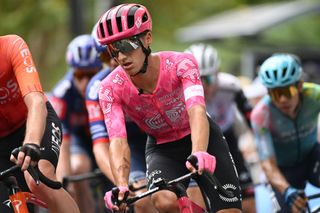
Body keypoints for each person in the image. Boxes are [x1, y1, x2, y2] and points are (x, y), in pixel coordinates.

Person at [95, 3, 242, 213]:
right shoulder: (109, 88)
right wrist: (121, 185)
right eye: (113, 49)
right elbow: (118, 140)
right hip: (161, 146)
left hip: (201, 137)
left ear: (147, 39)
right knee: (164, 201)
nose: (121, 57)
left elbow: (196, 111)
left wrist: (199, 151)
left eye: (127, 45)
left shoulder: (181, 64)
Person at [0, 34, 80, 213]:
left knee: (38, 181)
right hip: (2, 142)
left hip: (35, 123)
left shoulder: (11, 45)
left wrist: (31, 143)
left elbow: (36, 101)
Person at [85, 24, 157, 213]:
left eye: (123, 48)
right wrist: (121, 183)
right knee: (142, 198)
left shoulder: (156, 68)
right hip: (131, 145)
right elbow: (100, 144)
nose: (114, 60)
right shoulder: (96, 89)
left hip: (161, 137)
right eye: (106, 55)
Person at [185, 43, 256, 213]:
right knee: (197, 201)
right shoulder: (181, 90)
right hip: (195, 141)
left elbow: (251, 120)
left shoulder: (231, 85)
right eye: (197, 79)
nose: (204, 87)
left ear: (218, 72)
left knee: (248, 203)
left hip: (227, 138)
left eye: (208, 79)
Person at [251, 53, 320, 213]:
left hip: (312, 156)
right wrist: (286, 189)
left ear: (300, 86)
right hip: (283, 171)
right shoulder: (261, 114)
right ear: (268, 92)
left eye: (287, 91)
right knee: (296, 209)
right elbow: (267, 163)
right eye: (276, 93)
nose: (282, 100)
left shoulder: (315, 95)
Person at [50, 34, 102, 212]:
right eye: (79, 75)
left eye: (90, 74)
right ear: (71, 71)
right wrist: (64, 181)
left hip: (106, 136)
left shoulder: (108, 85)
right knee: (78, 169)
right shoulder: (61, 94)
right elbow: (62, 140)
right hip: (78, 139)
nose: (85, 82)